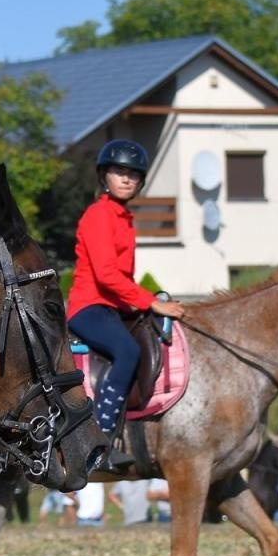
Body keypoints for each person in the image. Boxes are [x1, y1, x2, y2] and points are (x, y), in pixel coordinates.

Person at [65, 139, 185, 466]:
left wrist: (146, 304)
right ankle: (99, 443)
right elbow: (105, 275)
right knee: (128, 351)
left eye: (134, 174)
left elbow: (123, 280)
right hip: (89, 306)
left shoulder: (124, 218)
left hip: (114, 307)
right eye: (119, 171)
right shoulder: (99, 215)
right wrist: (151, 303)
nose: (127, 179)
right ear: (104, 175)